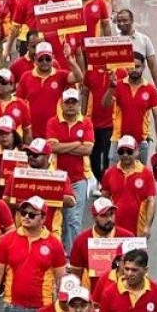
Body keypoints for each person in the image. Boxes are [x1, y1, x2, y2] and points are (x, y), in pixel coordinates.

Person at [0, 195, 67, 312]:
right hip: (12, 307)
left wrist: (61, 309)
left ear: (43, 219)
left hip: (43, 308)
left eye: (32, 215)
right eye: (23, 213)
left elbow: (61, 279)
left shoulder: (54, 243)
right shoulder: (7, 239)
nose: (26, 217)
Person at [46, 88, 93, 253]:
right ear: (62, 104)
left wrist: (62, 147)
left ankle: (72, 256)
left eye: (74, 102)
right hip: (57, 178)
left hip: (79, 178)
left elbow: (87, 149)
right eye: (68, 102)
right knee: (61, 218)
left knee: (74, 219)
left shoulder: (86, 122)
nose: (71, 106)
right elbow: (51, 147)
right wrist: (76, 143)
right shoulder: (53, 122)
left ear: (79, 104)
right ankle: (62, 252)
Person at [103, 54, 157, 164]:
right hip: (118, 139)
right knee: (114, 177)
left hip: (141, 142)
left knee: (138, 176)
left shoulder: (150, 90)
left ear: (143, 67)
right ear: (127, 67)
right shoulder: (118, 85)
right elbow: (105, 105)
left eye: (137, 66)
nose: (134, 69)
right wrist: (111, 87)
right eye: (131, 66)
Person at [16, 42, 83, 139]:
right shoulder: (26, 77)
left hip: (55, 133)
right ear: (35, 59)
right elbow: (18, 103)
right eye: (41, 59)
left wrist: (70, 60)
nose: (44, 62)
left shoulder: (60, 75)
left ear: (53, 58)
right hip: (32, 133)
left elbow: (78, 77)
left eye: (48, 58)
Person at [67, 197, 134, 289]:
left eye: (111, 214)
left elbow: (139, 270)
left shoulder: (128, 238)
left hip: (121, 294)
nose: (109, 219)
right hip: (93, 297)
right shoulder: (81, 240)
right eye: (104, 215)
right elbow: (76, 274)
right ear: (94, 217)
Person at [100, 136, 157, 237]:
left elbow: (151, 201)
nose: (125, 155)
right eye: (121, 151)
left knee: (135, 253)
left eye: (129, 151)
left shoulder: (146, 173)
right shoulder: (109, 173)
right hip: (114, 230)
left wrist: (147, 226)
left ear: (137, 152)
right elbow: (103, 199)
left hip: (138, 230)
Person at [113, 10, 157, 93]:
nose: (121, 23)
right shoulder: (113, 42)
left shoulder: (144, 40)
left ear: (132, 21)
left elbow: (153, 66)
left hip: (139, 87)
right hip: (119, 90)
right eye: (119, 21)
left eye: (125, 20)